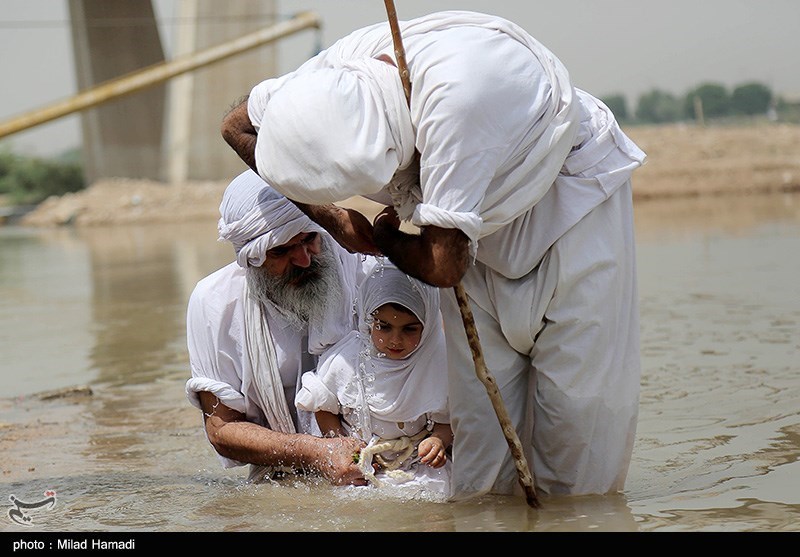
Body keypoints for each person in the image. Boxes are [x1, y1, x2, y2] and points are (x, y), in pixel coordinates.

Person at [221, 10, 646, 500]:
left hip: (565, 206)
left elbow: (443, 266)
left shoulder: (457, 105)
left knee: (578, 441)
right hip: (460, 235)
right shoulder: (315, 84)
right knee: (482, 457)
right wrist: (329, 217)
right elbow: (236, 127)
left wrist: (384, 239)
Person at [185, 169, 370, 486]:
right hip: (285, 475)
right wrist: (315, 452)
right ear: (251, 258)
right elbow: (222, 429)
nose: (303, 259)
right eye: (281, 251)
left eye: (309, 239)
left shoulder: (357, 262)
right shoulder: (215, 303)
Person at [295, 257, 452, 496]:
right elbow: (323, 405)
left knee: (435, 505)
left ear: (428, 325)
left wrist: (439, 441)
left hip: (417, 468)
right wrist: (339, 444)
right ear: (368, 321)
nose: (394, 340)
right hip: (359, 467)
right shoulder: (348, 359)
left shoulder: (438, 362)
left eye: (409, 329)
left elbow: (448, 418)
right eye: (383, 326)